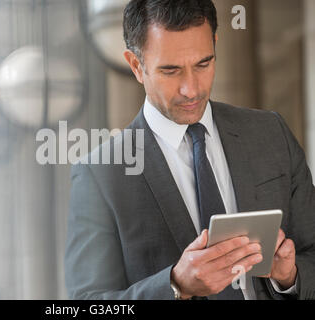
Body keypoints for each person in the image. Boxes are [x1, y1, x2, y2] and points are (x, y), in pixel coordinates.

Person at [65, 0, 315, 300]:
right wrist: (174, 286)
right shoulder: (101, 174)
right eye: (171, 71)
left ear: (215, 46)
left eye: (203, 64)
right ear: (136, 65)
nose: (191, 89)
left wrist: (289, 276)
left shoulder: (270, 133)